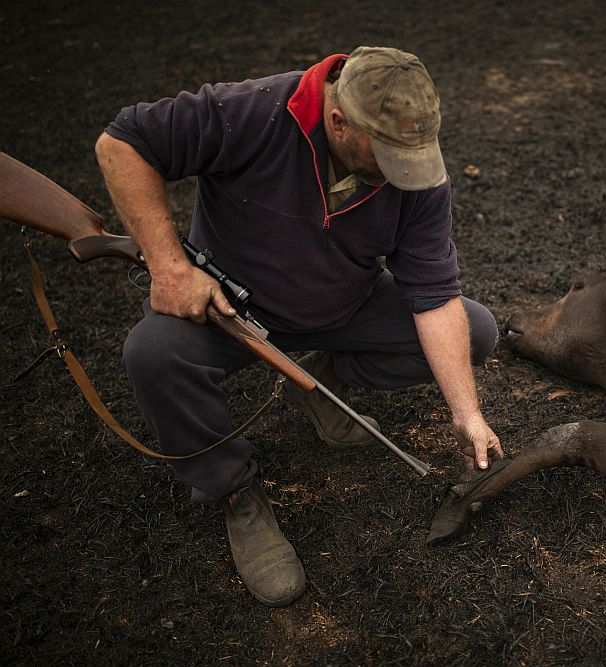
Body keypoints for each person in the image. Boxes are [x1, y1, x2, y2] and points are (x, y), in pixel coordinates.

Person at [94, 46, 505, 607]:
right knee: (153, 354)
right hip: (231, 313)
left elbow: (434, 298)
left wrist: (467, 412)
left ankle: (320, 380)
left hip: (342, 308)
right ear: (338, 121)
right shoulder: (252, 111)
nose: (401, 172)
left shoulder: (416, 174)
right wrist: (169, 266)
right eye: (385, 155)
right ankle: (233, 490)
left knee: (474, 330)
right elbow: (121, 142)